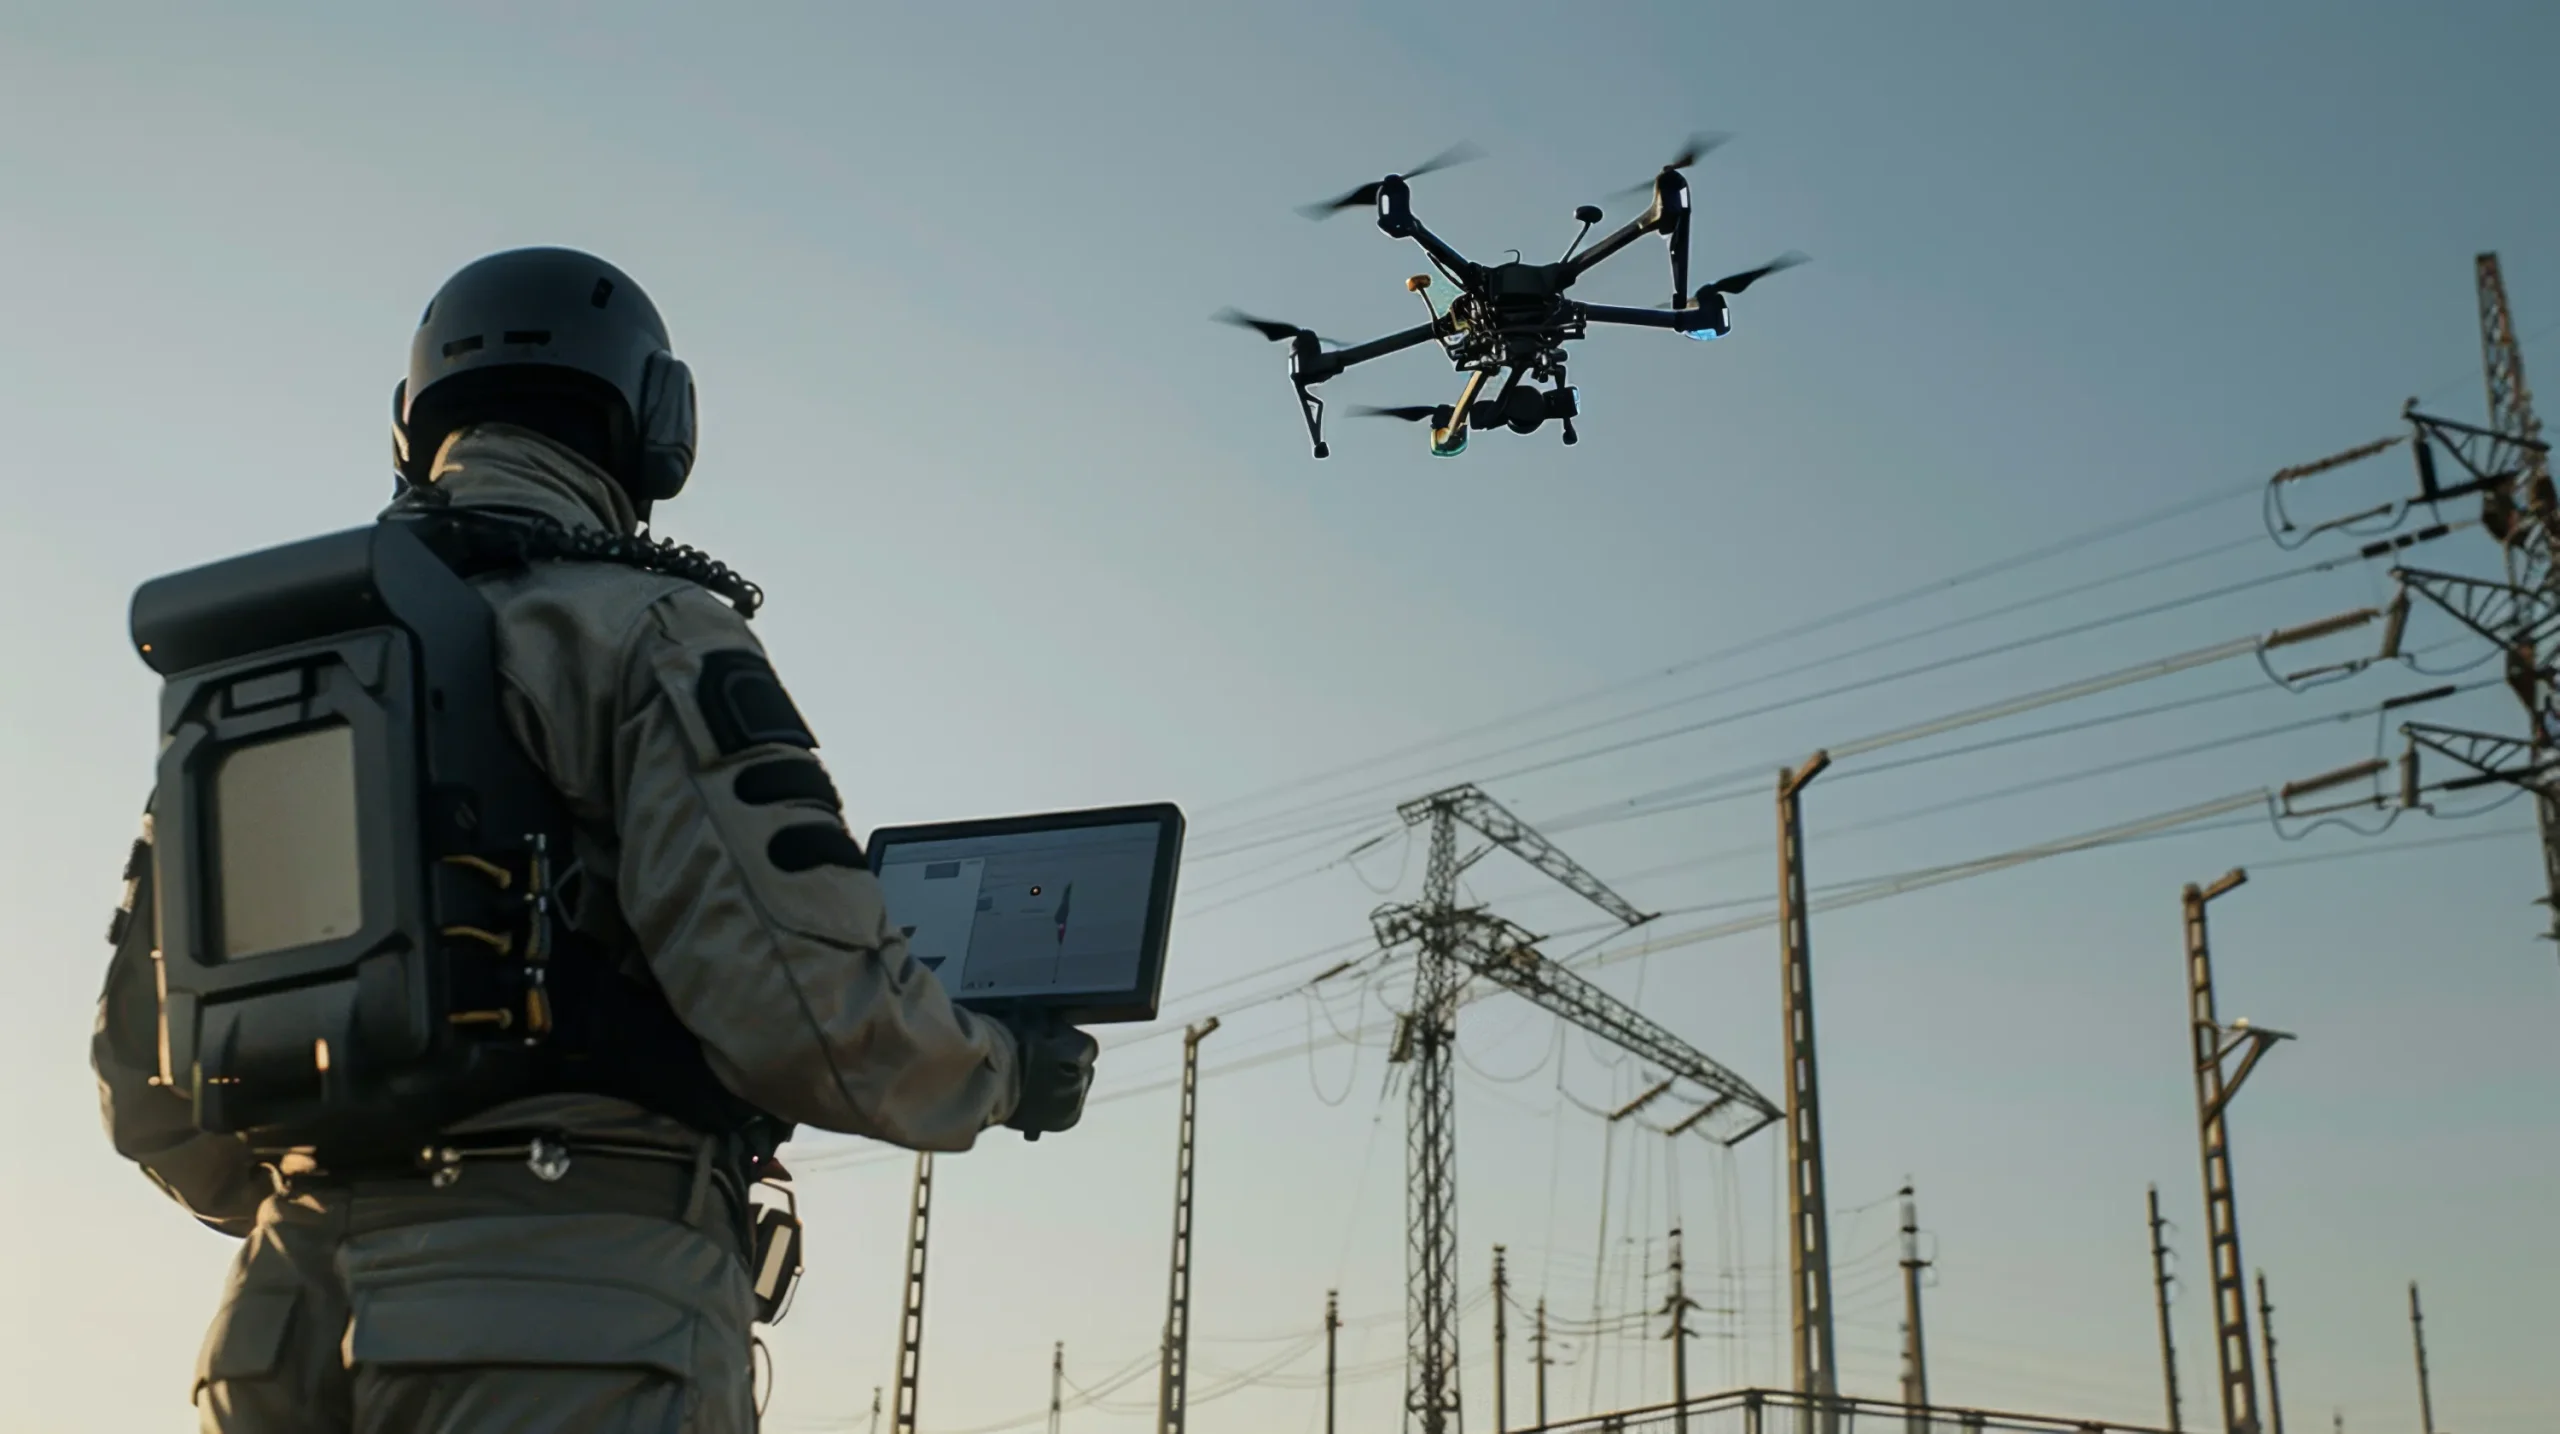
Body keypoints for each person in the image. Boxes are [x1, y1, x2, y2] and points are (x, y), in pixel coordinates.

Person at [89, 246, 1100, 1432]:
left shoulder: (268, 670)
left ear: (413, 422)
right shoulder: (644, 626)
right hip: (570, 1319)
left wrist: (354, 1188)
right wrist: (1006, 1071)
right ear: (657, 424)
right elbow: (816, 1014)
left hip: (275, 1336)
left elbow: (141, 1089)